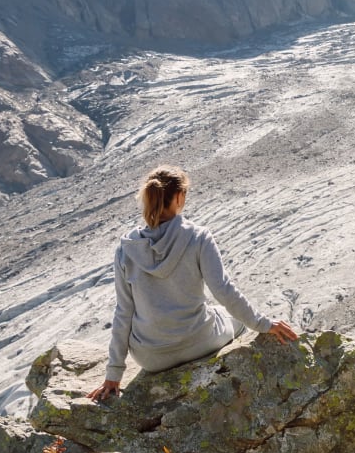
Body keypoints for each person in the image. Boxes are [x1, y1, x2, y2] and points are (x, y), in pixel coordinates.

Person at [88, 166, 297, 401]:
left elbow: (123, 312)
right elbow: (223, 290)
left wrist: (113, 374)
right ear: (178, 197)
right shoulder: (198, 237)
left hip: (152, 358)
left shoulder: (126, 249)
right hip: (200, 342)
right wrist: (263, 324)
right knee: (236, 321)